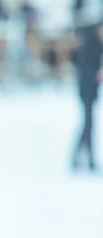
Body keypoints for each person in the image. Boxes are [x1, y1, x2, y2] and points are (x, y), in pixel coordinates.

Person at [72, 1, 103, 172]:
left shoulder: (97, 45)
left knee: (88, 124)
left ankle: (81, 159)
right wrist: (97, 75)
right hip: (86, 89)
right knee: (88, 124)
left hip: (91, 90)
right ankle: (82, 159)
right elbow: (84, 68)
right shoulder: (89, 46)